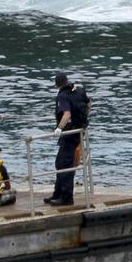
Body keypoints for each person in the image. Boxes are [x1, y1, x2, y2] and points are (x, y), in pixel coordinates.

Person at [47, 72, 92, 207]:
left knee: (64, 164)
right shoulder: (79, 90)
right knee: (60, 162)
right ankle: (58, 194)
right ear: (67, 81)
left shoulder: (62, 95)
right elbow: (89, 104)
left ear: (58, 85)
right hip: (79, 130)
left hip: (69, 133)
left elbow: (67, 113)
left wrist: (59, 128)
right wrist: (82, 120)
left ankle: (66, 198)